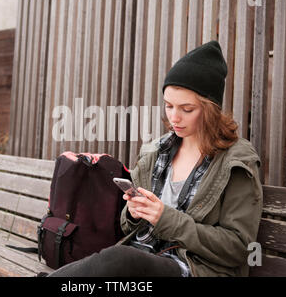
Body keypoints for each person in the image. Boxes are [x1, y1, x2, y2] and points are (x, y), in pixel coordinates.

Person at [45, 40, 263, 277]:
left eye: (186, 109)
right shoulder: (156, 152)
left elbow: (239, 248)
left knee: (118, 260)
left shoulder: (236, 162)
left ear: (210, 108)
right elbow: (126, 227)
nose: (174, 117)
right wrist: (134, 211)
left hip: (192, 269)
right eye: (169, 106)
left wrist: (165, 218)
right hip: (143, 259)